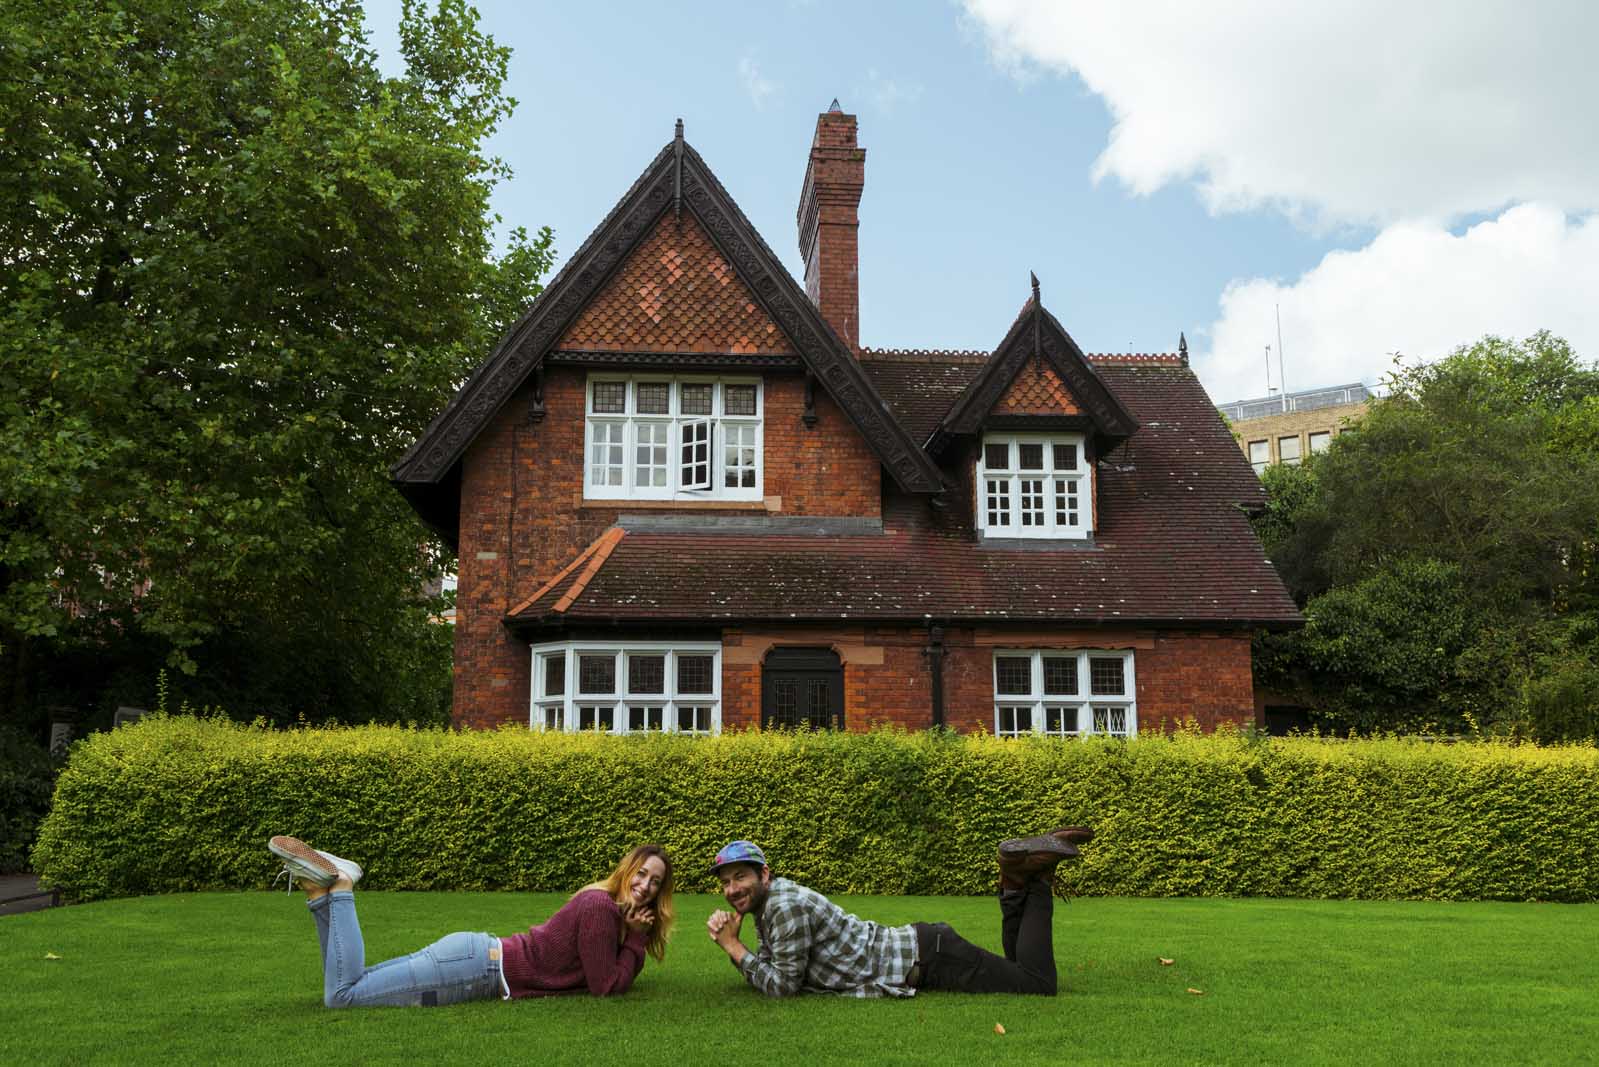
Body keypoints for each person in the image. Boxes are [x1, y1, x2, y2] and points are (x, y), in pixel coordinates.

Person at [268, 835, 674, 1008]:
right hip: (475, 969)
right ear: (627, 870)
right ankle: (342, 884)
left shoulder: (605, 909)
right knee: (343, 995)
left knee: (354, 982)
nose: (645, 885)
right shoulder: (601, 908)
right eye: (641, 874)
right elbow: (604, 987)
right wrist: (636, 941)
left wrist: (630, 936)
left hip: (470, 956)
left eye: (654, 883)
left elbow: (601, 973)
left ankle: (319, 892)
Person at [705, 828, 1091, 998]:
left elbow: (782, 987)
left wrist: (732, 947)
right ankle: (1015, 880)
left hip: (932, 958)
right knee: (1017, 969)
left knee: (1038, 983)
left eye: (740, 877)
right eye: (725, 882)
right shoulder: (771, 903)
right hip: (926, 948)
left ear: (764, 874)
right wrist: (741, 944)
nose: (732, 889)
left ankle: (1036, 875)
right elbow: (773, 967)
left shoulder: (783, 906)